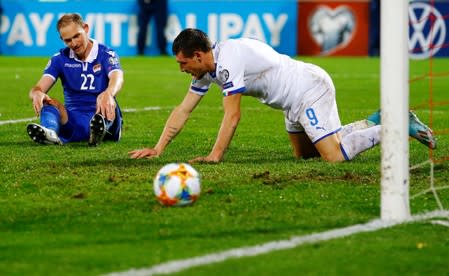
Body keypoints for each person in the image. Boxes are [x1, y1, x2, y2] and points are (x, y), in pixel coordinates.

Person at [128, 28, 436, 162]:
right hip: (291, 105)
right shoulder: (207, 70)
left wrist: (215, 155)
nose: (181, 69)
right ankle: (374, 120)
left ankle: (396, 127)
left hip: (309, 89)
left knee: (333, 157)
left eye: (183, 63)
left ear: (197, 55)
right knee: (306, 156)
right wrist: (158, 148)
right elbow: (184, 109)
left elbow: (233, 115)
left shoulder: (229, 57)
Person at [27, 13, 124, 146]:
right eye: (68, 40)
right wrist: (36, 94)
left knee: (105, 104)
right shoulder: (59, 59)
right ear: (62, 40)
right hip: (73, 116)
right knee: (48, 102)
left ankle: (99, 128)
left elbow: (117, 77)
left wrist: (109, 93)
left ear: (85, 28)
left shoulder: (106, 54)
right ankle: (50, 133)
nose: (74, 43)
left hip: (102, 110)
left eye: (77, 36)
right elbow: (38, 88)